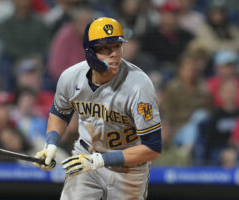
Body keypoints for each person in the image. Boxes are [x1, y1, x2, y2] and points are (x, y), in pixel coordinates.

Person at [34, 17, 162, 200]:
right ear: (90, 52)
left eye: (117, 46)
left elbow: (152, 147)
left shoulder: (139, 85)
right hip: (86, 155)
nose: (114, 54)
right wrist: (51, 144)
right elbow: (60, 112)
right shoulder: (71, 77)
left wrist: (100, 161)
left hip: (129, 167)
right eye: (105, 49)